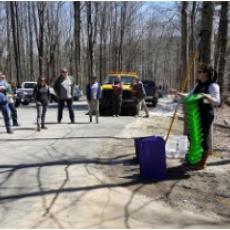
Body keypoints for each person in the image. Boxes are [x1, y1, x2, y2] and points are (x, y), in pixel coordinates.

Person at [170, 63, 220, 170]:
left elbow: (217, 101)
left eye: (199, 72)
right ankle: (194, 159)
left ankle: (202, 163)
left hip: (206, 115)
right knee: (191, 136)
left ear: (206, 74)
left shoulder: (212, 85)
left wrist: (207, 96)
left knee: (202, 138)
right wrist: (177, 93)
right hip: (195, 114)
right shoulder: (198, 85)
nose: (197, 73)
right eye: (198, 71)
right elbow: (189, 95)